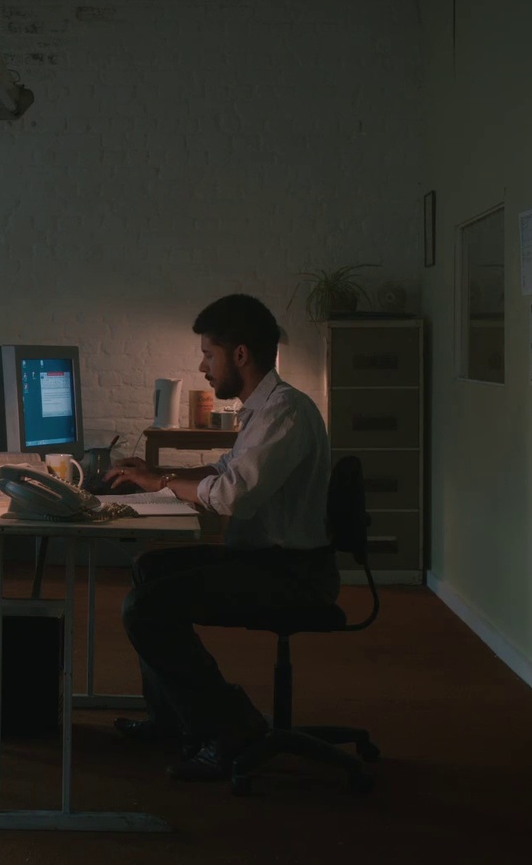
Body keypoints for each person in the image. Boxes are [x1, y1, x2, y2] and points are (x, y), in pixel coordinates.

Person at [103, 293, 337, 781]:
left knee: (145, 607)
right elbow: (228, 469)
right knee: (149, 569)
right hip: (264, 558)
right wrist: (159, 471)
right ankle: (172, 720)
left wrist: (161, 484)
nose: (202, 366)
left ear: (240, 355)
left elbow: (231, 496)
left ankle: (231, 729)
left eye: (209, 354)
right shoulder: (265, 408)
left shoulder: (285, 414)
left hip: (292, 573)